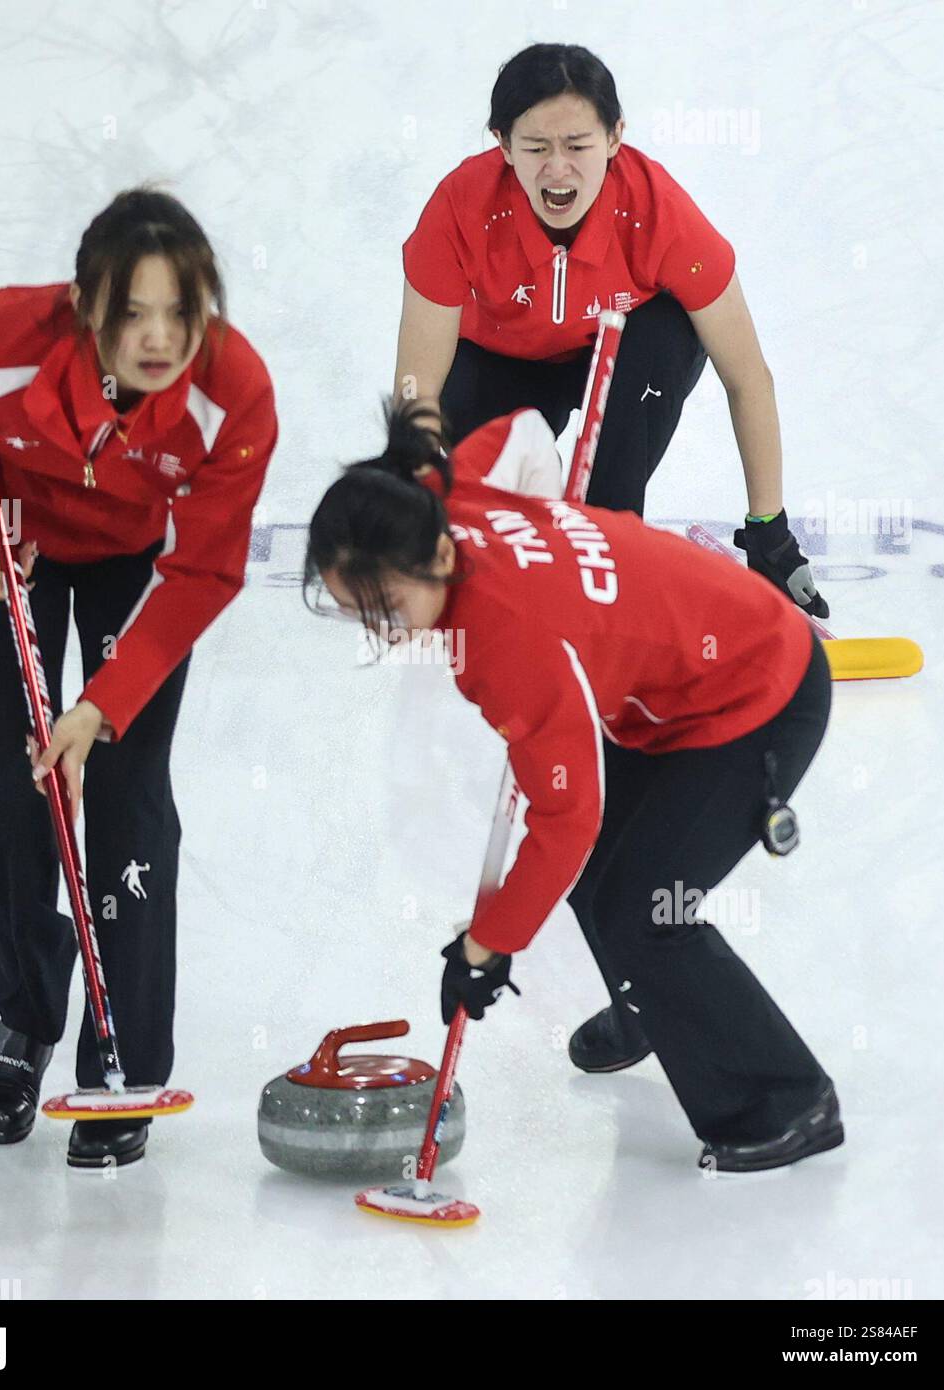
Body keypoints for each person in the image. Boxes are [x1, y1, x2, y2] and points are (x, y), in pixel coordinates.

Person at [303, 405, 843, 1173]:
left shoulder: (504, 641)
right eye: (357, 609)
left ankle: (787, 1097)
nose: (378, 631)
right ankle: (649, 1005)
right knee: (606, 882)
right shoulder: (445, 494)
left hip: (760, 694)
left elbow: (566, 819)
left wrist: (487, 944)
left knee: (646, 909)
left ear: (433, 559)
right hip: (678, 693)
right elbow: (525, 430)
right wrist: (563, 540)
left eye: (384, 607)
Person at [0, 188, 277, 1168]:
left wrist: (99, 706)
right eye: (130, 310)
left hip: (137, 567)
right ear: (82, 304)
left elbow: (207, 567)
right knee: (13, 789)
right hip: (4, 542)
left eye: (180, 311)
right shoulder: (8, 337)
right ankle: (26, 1009)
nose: (157, 337)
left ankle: (123, 1055)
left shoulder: (236, 392)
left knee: (128, 795)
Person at [394, 42, 826, 617]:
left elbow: (748, 377)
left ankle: (609, 545)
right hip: (498, 364)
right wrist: (420, 507)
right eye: (535, 147)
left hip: (623, 358)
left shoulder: (658, 209)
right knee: (510, 524)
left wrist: (768, 529)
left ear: (615, 138)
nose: (558, 169)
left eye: (577, 146)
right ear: (501, 144)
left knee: (606, 513)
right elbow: (415, 390)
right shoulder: (458, 209)